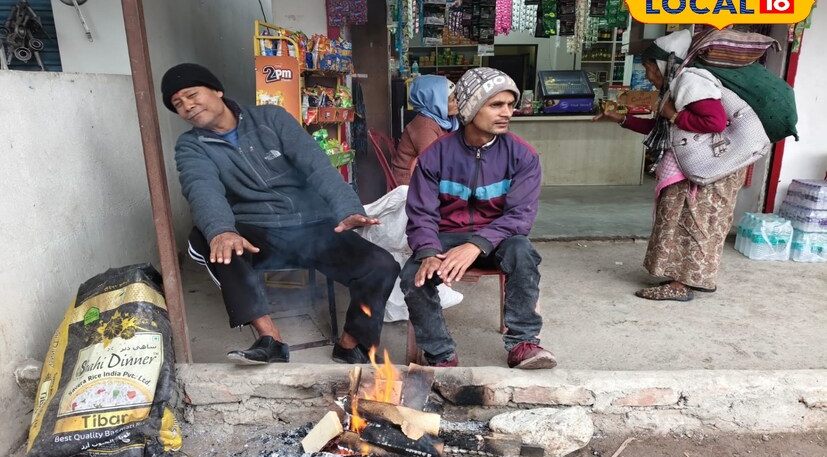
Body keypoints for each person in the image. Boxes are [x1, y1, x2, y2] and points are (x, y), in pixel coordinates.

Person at [162, 63, 400, 365]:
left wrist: (347, 208)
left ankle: (350, 344)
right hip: (258, 231)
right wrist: (222, 230)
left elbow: (316, 165)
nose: (187, 106)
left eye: (192, 95)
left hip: (311, 225)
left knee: (381, 265)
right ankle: (270, 339)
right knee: (214, 240)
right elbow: (201, 188)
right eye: (178, 104)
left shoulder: (271, 119)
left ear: (217, 91)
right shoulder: (191, 146)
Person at [400, 67, 556, 369]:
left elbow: (520, 217)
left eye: (510, 105)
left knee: (522, 251)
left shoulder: (523, 156)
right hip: (445, 238)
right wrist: (428, 251)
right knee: (413, 276)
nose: (507, 113)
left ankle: (523, 344)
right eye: (496, 104)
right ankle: (441, 355)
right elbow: (421, 212)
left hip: (497, 240)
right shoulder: (436, 154)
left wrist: (475, 245)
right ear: (471, 107)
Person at [593, 30, 746, 301]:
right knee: (682, 221)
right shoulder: (678, 84)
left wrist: (673, 115)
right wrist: (620, 118)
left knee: (692, 223)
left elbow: (714, 122)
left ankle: (681, 284)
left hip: (707, 170)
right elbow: (663, 128)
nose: (648, 76)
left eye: (649, 68)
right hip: (700, 167)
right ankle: (684, 276)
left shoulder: (690, 81)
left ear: (663, 64)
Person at [392, 75, 460, 185]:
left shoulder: (441, 120)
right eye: (452, 100)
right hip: (410, 182)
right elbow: (433, 164)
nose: (457, 102)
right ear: (436, 102)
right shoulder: (425, 126)